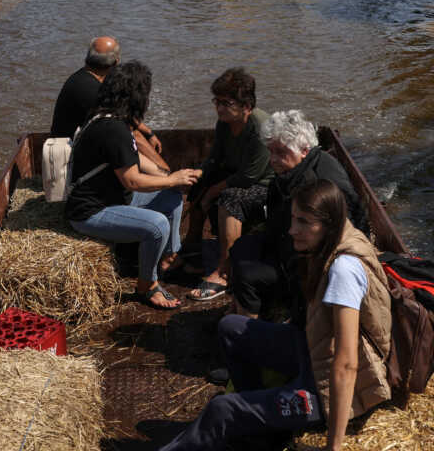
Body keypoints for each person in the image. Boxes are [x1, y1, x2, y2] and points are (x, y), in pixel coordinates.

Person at [159, 178, 393, 451]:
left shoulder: (343, 270)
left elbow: (346, 365)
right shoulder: (340, 235)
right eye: (293, 219)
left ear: (328, 223)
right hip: (313, 354)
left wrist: (333, 447)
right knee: (232, 328)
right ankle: (258, 427)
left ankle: (243, 419)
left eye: (304, 222)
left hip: (325, 393)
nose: (292, 230)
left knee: (222, 408)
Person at [65, 61, 201, 310]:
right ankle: (146, 286)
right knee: (157, 225)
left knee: (171, 195)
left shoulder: (105, 116)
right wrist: (173, 178)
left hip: (115, 199)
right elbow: (132, 180)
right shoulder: (112, 128)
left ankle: (171, 257)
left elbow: (132, 158)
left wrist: (166, 176)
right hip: (90, 212)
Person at [227, 110, 369, 320]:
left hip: (306, 265)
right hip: (288, 243)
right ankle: (240, 308)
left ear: (304, 150)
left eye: (280, 152)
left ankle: (247, 329)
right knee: (240, 248)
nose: (273, 160)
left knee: (247, 274)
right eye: (271, 151)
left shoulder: (318, 184)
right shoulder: (291, 172)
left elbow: (338, 237)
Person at [184, 68, 273, 302]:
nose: (219, 108)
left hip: (265, 185)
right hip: (238, 175)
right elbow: (215, 157)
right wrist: (199, 174)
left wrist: (213, 191)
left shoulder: (260, 128)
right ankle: (191, 250)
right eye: (217, 101)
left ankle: (224, 271)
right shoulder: (224, 123)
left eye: (226, 102)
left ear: (246, 106)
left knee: (229, 198)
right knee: (198, 184)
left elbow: (249, 177)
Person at [50, 36, 168, 171]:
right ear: (116, 63)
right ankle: (164, 176)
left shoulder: (86, 77)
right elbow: (129, 132)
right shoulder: (92, 92)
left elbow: (121, 113)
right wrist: (168, 174)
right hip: (69, 160)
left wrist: (148, 132)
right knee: (129, 137)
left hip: (76, 145)